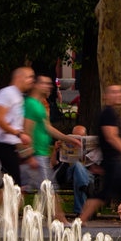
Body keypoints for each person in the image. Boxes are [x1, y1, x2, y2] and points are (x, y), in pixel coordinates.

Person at [23, 74, 81, 223]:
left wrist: (69, 139)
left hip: (41, 153)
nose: (49, 86)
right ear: (36, 85)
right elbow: (26, 130)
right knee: (49, 188)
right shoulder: (30, 104)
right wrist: (29, 155)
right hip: (36, 154)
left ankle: (10, 218)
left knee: (30, 189)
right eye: (45, 83)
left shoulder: (40, 104)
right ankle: (61, 221)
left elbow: (48, 128)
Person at [78, 85, 121, 224]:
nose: (118, 95)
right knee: (107, 195)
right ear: (105, 96)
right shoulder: (108, 114)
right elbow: (111, 137)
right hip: (113, 163)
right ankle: (80, 222)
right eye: (114, 92)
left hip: (113, 162)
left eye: (120, 92)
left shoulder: (110, 113)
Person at [0, 67, 35, 203]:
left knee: (10, 186)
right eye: (29, 77)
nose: (31, 80)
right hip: (2, 145)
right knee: (14, 187)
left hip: (10, 145)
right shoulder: (7, 94)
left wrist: (27, 152)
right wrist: (19, 134)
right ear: (19, 77)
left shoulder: (17, 96)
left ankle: (1, 216)